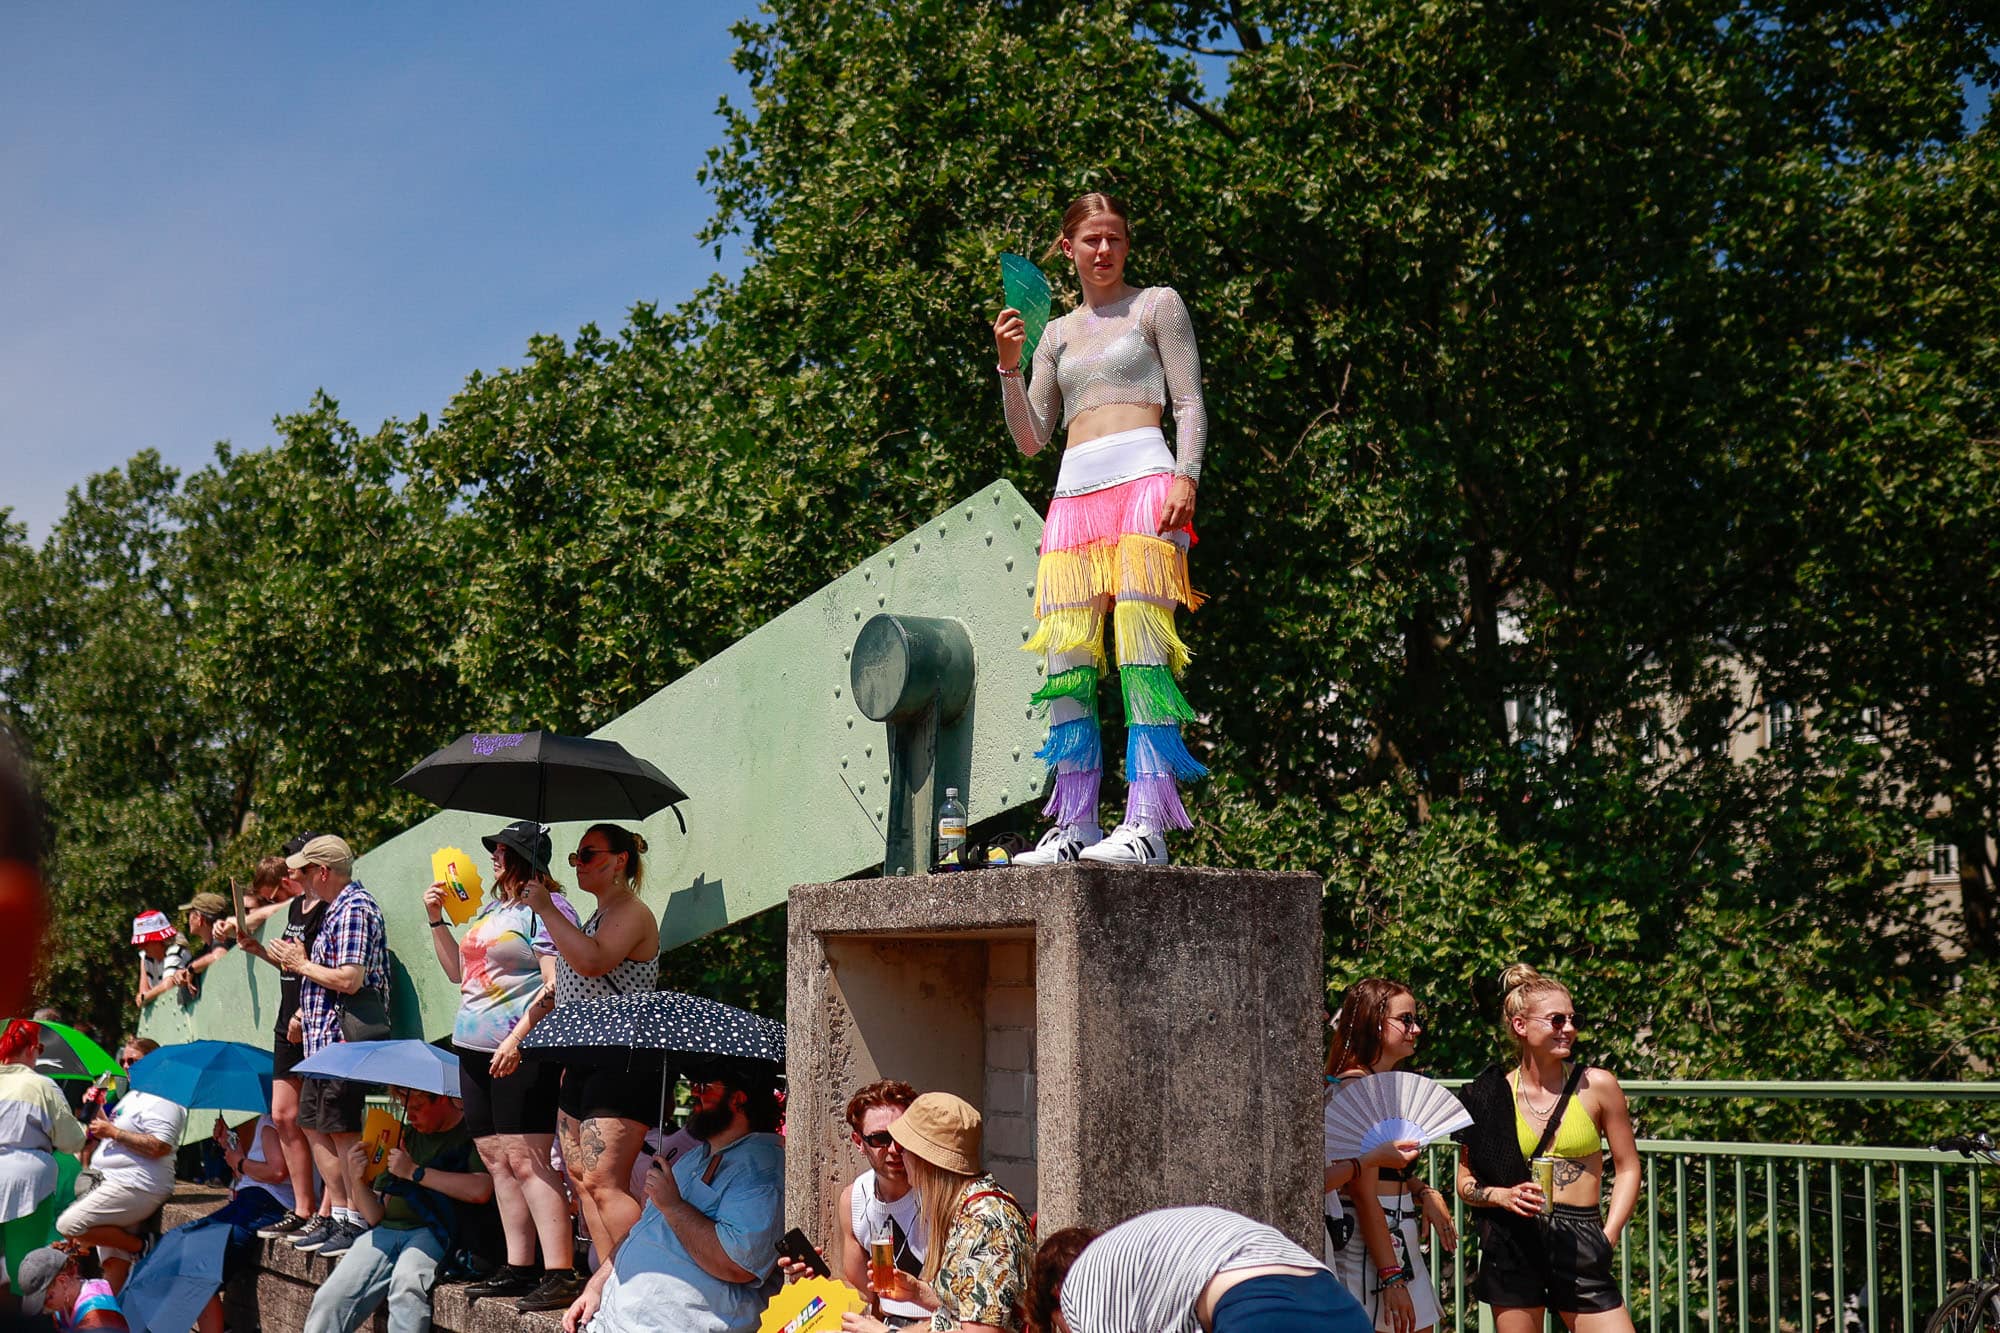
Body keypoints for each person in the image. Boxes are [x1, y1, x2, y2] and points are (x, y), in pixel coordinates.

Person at [994, 191, 1210, 867]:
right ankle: (1074, 824)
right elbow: (1032, 437)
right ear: (1068, 248)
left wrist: (1187, 475)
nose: (1104, 250)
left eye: (1115, 237)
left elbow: (1189, 401)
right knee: (1068, 662)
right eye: (1091, 239)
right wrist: (1007, 365)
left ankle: (1147, 823)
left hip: (1146, 480)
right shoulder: (1055, 333)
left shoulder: (1157, 305)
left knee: (1143, 653)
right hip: (1072, 496)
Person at [422, 819, 581, 1311]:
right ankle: (519, 1265)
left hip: (522, 1050)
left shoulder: (548, 908)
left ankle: (561, 1271)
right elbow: (457, 974)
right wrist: (436, 920)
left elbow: (555, 988)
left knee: (529, 1160)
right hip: (472, 1048)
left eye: (503, 850)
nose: (493, 856)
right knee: (497, 1160)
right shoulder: (493, 908)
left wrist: (516, 1039)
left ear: (523, 859)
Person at [1454, 964, 1640, 1333]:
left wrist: (1609, 1235)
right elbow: (1464, 1181)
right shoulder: (1490, 1095)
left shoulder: (1597, 1084)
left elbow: (1628, 1166)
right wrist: (1500, 1196)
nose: (1569, 1029)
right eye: (1556, 1020)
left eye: (1573, 1019)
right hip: (1514, 1237)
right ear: (1521, 1025)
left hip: (1581, 1235)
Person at [562, 1063, 786, 1333]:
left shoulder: (761, 1169)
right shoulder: (696, 1157)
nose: (693, 1093)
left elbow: (740, 1264)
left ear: (738, 1100)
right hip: (616, 1319)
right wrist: (597, 1286)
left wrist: (673, 1206)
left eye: (705, 1088)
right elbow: (642, 1231)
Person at [530, 823, 662, 1272]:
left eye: (588, 854)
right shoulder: (598, 915)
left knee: (605, 1181)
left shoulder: (632, 912)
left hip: (620, 1056)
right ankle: (610, 1287)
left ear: (620, 860)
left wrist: (548, 910)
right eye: (575, 857)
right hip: (582, 1057)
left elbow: (592, 960)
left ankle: (641, 1282)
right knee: (582, 1181)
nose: (578, 864)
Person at [263, 834, 389, 1259]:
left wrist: (300, 965)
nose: (298, 878)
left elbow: (350, 978)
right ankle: (338, 1214)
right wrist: (302, 1012)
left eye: (304, 869)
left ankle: (354, 1218)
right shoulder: (337, 909)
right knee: (317, 1127)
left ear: (322, 872)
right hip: (320, 1044)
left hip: (344, 1046)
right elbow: (327, 976)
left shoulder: (355, 909)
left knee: (342, 1133)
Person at [301, 1084, 494, 1333]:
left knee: (407, 1286)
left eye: (417, 1107)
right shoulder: (404, 1136)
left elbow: (481, 1190)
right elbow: (374, 1215)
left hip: (434, 1231)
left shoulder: (470, 1134)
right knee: (331, 1296)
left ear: (443, 1099)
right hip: (388, 1230)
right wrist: (357, 1180)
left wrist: (414, 1172)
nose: (410, 1115)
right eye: (405, 1108)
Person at [837, 1091, 1031, 1333]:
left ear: (925, 1159)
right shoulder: (967, 1209)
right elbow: (962, 1308)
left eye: (902, 1146)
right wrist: (918, 1292)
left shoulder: (984, 1222)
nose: (897, 1153)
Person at [1323, 979, 1455, 1333]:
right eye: (1406, 1019)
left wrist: (1421, 1189)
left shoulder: (1380, 1085)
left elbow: (1383, 1170)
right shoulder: (1357, 1088)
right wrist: (1392, 1279)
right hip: (1373, 1248)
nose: (1416, 1028)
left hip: (1395, 1237)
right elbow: (1364, 1193)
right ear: (1373, 1023)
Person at [1043, 1205, 1366, 1333]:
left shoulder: (1081, 1293)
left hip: (1258, 1310)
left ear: (1056, 1296)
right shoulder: (1137, 1267)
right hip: (1339, 1305)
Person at [119, 1112, 295, 1333]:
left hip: (264, 1206)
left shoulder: (270, 1123)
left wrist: (239, 1162)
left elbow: (277, 1171)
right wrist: (229, 1148)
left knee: (194, 1263)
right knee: (179, 1244)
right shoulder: (258, 1123)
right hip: (250, 1203)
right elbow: (249, 1175)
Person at [239, 833, 326, 1241]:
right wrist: (257, 949)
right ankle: (302, 1206)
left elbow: (320, 966)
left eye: (296, 862)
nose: (290, 867)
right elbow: (291, 963)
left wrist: (304, 1013)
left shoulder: (329, 905)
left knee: (318, 1120)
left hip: (308, 1020)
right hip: (285, 1020)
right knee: (284, 1115)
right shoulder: (296, 905)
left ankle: (325, 1210)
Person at [57, 1037, 186, 1292]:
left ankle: (142, 1245)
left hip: (137, 1185)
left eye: (133, 1060)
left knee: (68, 1225)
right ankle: (111, 1318)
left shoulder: (164, 1098)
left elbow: (160, 1146)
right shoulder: (133, 1095)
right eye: (123, 1060)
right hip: (114, 1182)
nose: (125, 1065)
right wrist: (99, 1109)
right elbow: (112, 1131)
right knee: (114, 1262)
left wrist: (113, 1132)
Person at [0, 1019, 86, 1296]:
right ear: (31, 1049)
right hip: (27, 1185)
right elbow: (71, 1140)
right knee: (25, 1268)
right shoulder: (42, 1085)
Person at [18, 1245, 130, 1331]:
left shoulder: (98, 1315)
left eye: (48, 1298)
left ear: (62, 1281)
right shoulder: (62, 1305)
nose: (44, 1309)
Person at [169, 893, 237, 994]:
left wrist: (191, 969)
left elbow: (219, 956)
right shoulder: (206, 949)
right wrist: (181, 973)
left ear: (199, 918)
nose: (188, 920)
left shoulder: (222, 938)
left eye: (189, 914)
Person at [130, 914, 189, 1012]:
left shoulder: (176, 950)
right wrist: (143, 961)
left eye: (144, 943)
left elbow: (168, 985)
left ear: (159, 940)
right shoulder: (146, 956)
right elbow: (143, 994)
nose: (141, 947)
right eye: (139, 944)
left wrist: (145, 997)